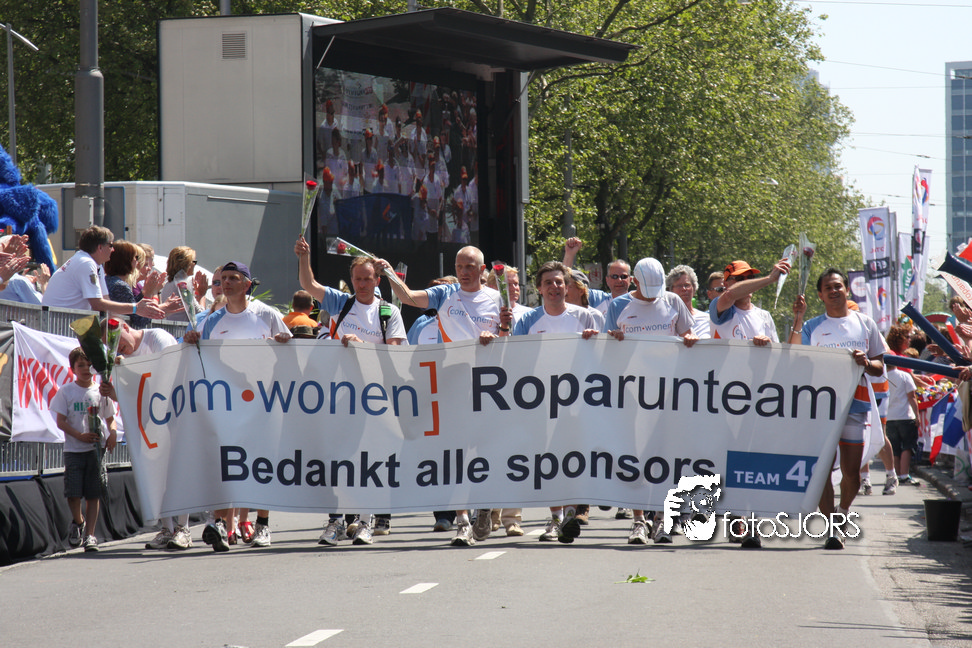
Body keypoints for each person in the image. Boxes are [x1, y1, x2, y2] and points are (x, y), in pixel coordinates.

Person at [375, 246, 511, 546]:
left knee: (483, 453)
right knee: (455, 454)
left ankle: (484, 503)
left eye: (470, 266)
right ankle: (463, 522)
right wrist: (388, 273)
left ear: (482, 269)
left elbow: (507, 340)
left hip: (486, 387)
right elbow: (408, 297)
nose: (464, 271)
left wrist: (497, 333)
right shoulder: (445, 293)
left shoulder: (496, 298)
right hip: (451, 384)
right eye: (459, 266)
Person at [294, 236, 407, 545]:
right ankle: (336, 522)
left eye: (367, 279)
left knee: (369, 460)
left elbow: (394, 356)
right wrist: (303, 257)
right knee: (337, 460)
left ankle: (366, 521)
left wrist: (362, 347)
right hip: (339, 397)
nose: (362, 284)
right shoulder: (341, 303)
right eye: (357, 279)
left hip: (374, 399)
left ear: (377, 280)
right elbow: (308, 284)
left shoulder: (389, 312)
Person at [185, 261, 292, 552]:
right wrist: (190, 340)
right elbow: (198, 356)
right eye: (224, 278)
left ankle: (262, 525)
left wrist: (285, 340)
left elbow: (289, 350)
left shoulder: (266, 314)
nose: (227, 283)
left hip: (262, 403)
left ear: (246, 284)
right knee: (227, 464)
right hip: (226, 406)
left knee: (262, 464)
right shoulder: (211, 321)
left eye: (234, 278)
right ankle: (220, 524)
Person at [790, 268, 886, 550]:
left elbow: (880, 366)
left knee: (851, 472)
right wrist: (798, 318)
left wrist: (866, 362)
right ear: (820, 295)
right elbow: (796, 356)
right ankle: (832, 527)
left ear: (847, 289)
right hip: (821, 407)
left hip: (855, 404)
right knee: (821, 470)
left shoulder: (865, 324)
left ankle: (842, 513)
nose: (834, 291)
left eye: (838, 286)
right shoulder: (812, 327)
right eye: (828, 288)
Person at [605, 257, 698, 545]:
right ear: (634, 281)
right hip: (632, 394)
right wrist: (613, 339)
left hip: (668, 395)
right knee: (634, 457)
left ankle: (660, 519)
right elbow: (606, 348)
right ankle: (638, 521)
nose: (653, 295)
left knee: (664, 457)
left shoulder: (673, 300)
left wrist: (690, 338)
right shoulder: (618, 306)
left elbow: (689, 332)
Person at [506, 261, 599, 543]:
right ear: (539, 288)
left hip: (577, 402)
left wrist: (594, 342)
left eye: (559, 282)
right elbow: (516, 359)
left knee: (571, 458)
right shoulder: (527, 321)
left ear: (567, 287)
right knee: (548, 460)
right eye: (548, 282)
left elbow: (603, 357)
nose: (554, 287)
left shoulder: (586, 317)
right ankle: (557, 516)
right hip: (541, 403)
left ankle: (569, 513)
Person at [105, 321, 190, 550]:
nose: (119, 349)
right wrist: (113, 391)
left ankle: (183, 529)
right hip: (147, 423)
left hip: (173, 417)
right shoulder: (122, 359)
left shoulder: (157, 337)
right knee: (155, 476)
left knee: (176, 473)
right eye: (112, 346)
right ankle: (167, 529)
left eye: (118, 342)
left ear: (125, 327)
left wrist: (130, 370)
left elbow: (168, 371)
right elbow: (131, 396)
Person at [50, 347, 117, 552]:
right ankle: (79, 522)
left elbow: (110, 419)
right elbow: (61, 421)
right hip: (74, 450)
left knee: (93, 494)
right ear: (73, 368)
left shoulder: (101, 391)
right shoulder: (66, 392)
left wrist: (113, 433)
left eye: (90, 365)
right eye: (81, 365)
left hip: (96, 450)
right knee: (73, 494)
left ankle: (90, 535)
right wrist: (79, 435)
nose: (86, 369)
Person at [43, 226, 165, 320]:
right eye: (111, 245)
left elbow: (106, 300)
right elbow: (98, 305)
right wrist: (136, 308)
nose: (113, 249)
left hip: (67, 323)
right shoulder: (86, 263)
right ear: (100, 247)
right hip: (58, 325)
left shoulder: (96, 265)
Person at [105, 240, 165, 330]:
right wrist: (149, 294)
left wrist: (144, 293)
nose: (138, 262)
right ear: (126, 260)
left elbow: (131, 307)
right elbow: (140, 321)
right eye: (136, 257)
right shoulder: (120, 286)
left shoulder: (109, 280)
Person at [561, 237, 630, 313]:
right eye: (614, 276)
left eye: (623, 276)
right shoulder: (597, 299)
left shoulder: (637, 302)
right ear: (607, 280)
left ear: (630, 280)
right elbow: (564, 282)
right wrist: (570, 254)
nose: (619, 280)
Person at [159, 246, 208, 321]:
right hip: (182, 328)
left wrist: (196, 293)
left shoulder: (167, 284)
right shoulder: (182, 284)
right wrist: (202, 295)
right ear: (187, 264)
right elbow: (200, 315)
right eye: (194, 262)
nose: (195, 265)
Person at [666, 265, 710, 338]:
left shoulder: (707, 319)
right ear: (670, 290)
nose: (684, 289)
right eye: (679, 286)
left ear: (694, 288)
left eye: (687, 285)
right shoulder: (666, 320)